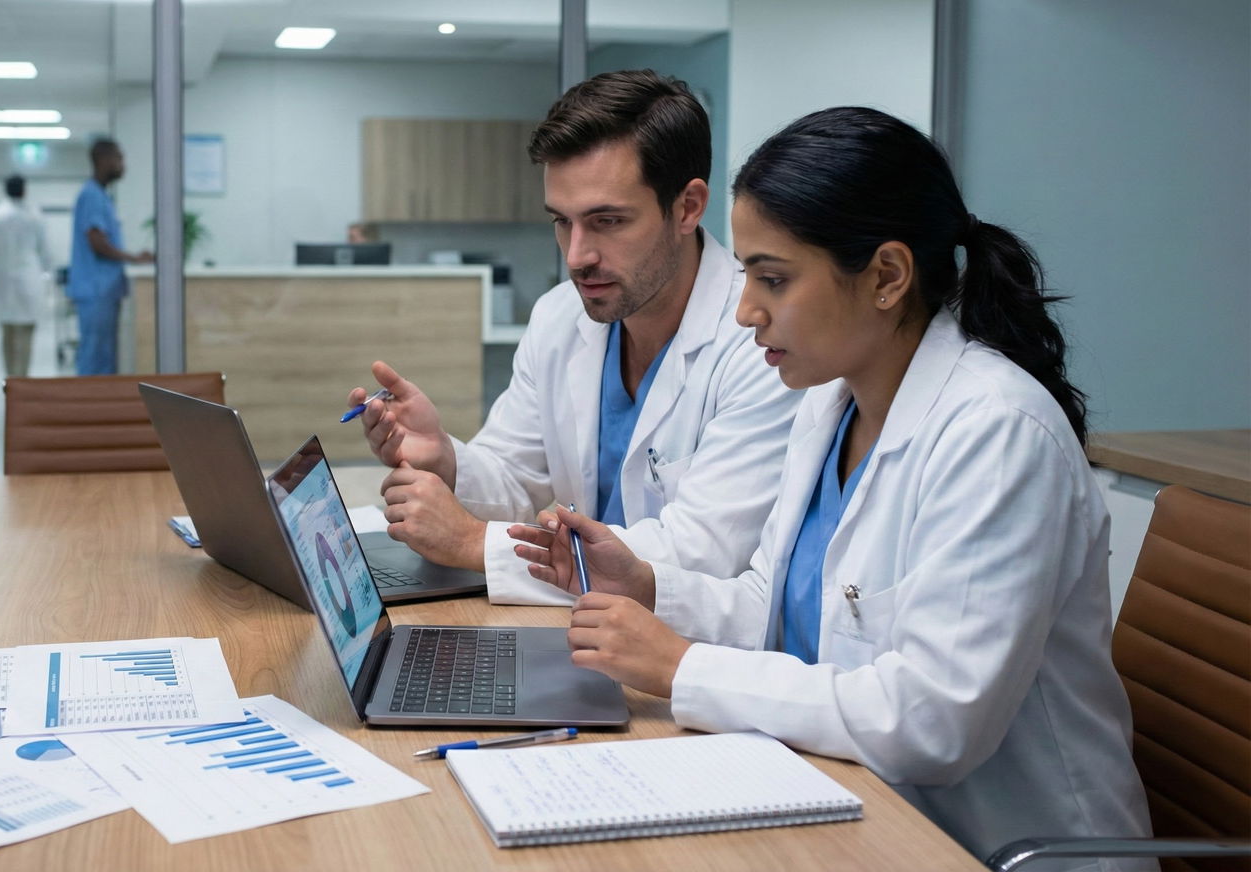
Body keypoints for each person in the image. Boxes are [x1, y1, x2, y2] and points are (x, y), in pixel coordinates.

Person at [512, 107, 1153, 868]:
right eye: (747, 273)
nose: (747, 309)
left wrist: (682, 667)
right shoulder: (832, 402)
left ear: (886, 276)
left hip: (990, 849)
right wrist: (648, 585)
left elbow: (931, 721)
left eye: (773, 278)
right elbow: (775, 608)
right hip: (846, 806)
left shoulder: (998, 432)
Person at [347, 70, 799, 603]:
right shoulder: (560, 317)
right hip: (574, 626)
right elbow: (519, 481)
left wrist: (472, 543)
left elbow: (703, 553)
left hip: (680, 655)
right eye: (562, 221)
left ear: (688, 206)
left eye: (607, 221)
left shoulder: (765, 340)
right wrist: (445, 458)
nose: (577, 256)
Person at [68, 138, 152, 375]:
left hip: (101, 290)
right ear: (103, 160)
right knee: (94, 355)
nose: (122, 165)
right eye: (119, 158)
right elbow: (97, 242)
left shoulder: (101, 195)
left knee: (103, 354)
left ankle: (99, 408)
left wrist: (133, 257)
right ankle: (87, 409)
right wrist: (133, 258)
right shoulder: (92, 195)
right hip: (96, 290)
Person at [0, 175, 51, 378]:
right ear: (24, 190)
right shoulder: (35, 216)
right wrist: (48, 281)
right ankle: (22, 378)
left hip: (2, 284)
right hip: (30, 281)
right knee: (26, 334)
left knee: (7, 333)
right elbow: (45, 253)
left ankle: (11, 379)